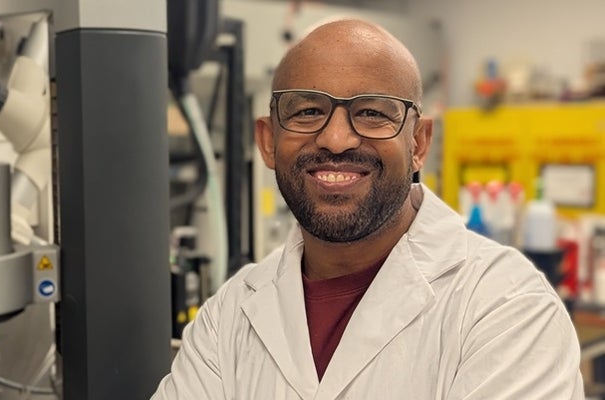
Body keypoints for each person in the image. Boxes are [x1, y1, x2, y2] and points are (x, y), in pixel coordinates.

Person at [153, 19, 583, 399]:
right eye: (307, 111)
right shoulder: (227, 315)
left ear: (418, 143)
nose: (336, 139)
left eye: (372, 112)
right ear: (268, 141)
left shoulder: (507, 308)